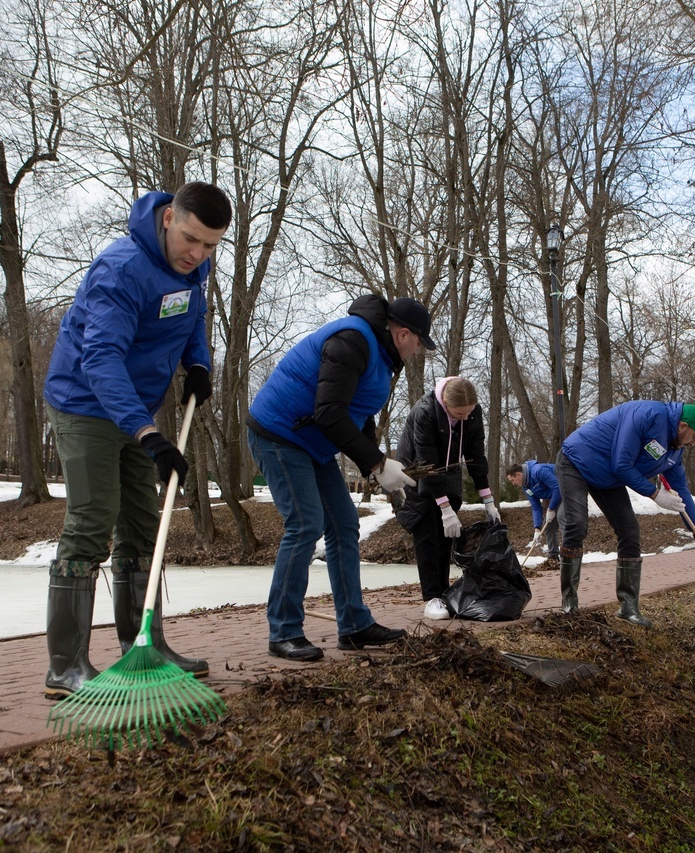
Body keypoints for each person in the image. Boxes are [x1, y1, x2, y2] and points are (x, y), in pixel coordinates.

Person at [41, 181, 231, 698]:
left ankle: (143, 648)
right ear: (169, 217)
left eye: (210, 245)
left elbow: (193, 314)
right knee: (92, 519)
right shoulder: (121, 269)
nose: (197, 253)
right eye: (191, 238)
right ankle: (65, 666)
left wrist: (198, 362)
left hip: (134, 408)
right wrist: (148, 433)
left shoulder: (196, 266)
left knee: (145, 527)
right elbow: (98, 359)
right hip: (84, 402)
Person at [246, 294, 434, 661]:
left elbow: (359, 414)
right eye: (419, 344)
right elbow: (329, 412)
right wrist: (378, 464)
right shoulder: (353, 340)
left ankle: (354, 625)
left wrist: (374, 466)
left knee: (344, 524)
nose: (418, 351)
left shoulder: (380, 355)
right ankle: (283, 630)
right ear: (403, 334)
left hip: (312, 442)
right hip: (279, 433)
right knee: (304, 524)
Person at [557, 401, 695, 626]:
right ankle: (569, 604)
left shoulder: (674, 452)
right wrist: (654, 494)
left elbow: (682, 492)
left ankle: (628, 608)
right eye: (694, 436)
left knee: (630, 531)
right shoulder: (647, 415)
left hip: (608, 478)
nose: (692, 443)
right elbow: (621, 464)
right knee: (577, 523)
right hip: (576, 461)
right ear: (682, 425)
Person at [394, 376, 499, 619]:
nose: (465, 418)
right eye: (459, 414)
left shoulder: (473, 413)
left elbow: (476, 456)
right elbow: (427, 463)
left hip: (448, 472)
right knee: (427, 531)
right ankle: (431, 598)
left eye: (468, 413)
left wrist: (488, 499)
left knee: (446, 535)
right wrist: (445, 509)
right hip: (415, 471)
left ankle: (443, 593)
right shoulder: (425, 412)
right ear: (444, 402)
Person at [506, 460, 561, 568]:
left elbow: (557, 487)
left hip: (566, 490)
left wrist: (551, 509)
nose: (513, 484)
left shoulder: (538, 471)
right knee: (549, 525)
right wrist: (537, 528)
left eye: (513, 480)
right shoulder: (526, 486)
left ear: (518, 474)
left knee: (564, 520)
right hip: (555, 496)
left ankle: (570, 554)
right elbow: (536, 507)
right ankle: (554, 557)